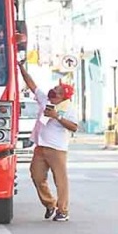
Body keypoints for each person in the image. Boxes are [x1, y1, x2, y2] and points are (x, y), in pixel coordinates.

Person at [19, 61, 79, 222]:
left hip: (57, 149)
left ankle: (63, 211)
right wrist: (20, 67)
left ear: (63, 97)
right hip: (40, 147)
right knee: (36, 176)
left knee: (60, 181)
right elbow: (31, 83)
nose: (53, 91)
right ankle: (50, 204)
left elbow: (74, 127)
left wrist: (57, 117)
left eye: (57, 92)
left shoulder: (68, 109)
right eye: (54, 89)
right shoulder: (44, 99)